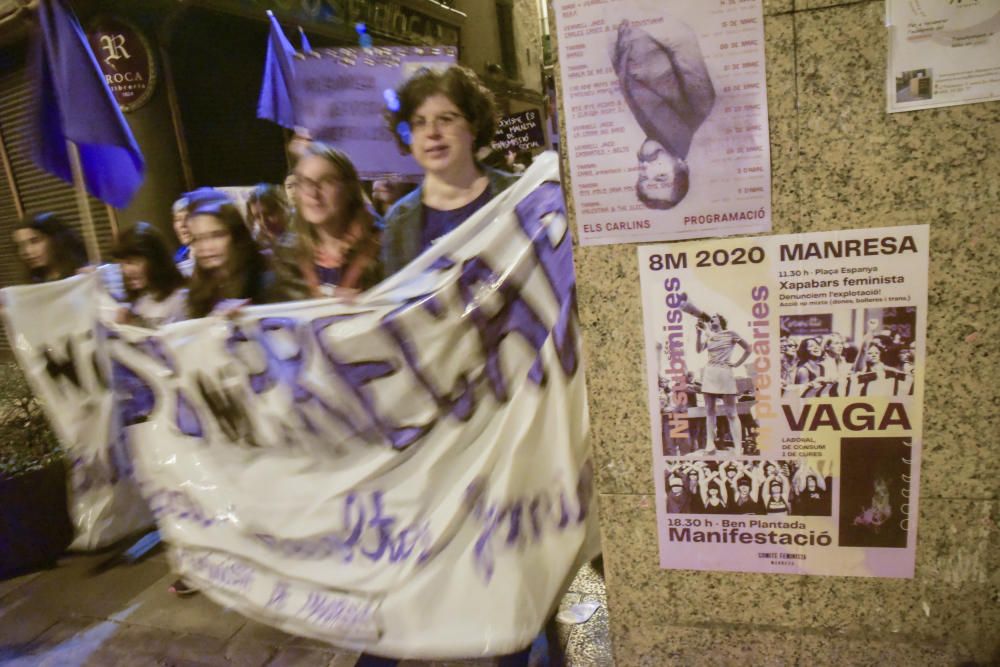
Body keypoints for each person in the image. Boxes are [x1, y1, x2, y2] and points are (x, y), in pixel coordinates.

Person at [381, 65, 518, 277]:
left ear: (474, 126)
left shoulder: (520, 194)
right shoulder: (398, 223)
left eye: (446, 119)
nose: (432, 132)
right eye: (419, 123)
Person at [611, 18, 715, 210]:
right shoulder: (700, 106)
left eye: (643, 177)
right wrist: (635, 15)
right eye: (661, 177)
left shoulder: (647, 127)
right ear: (681, 165)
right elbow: (683, 37)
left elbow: (621, 65)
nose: (646, 168)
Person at [185, 196, 304, 319]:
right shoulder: (198, 289)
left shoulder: (268, 280)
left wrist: (251, 316)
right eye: (197, 238)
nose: (206, 246)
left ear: (237, 236)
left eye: (217, 235)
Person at [292, 143, 383, 297]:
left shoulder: (384, 247)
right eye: (305, 182)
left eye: (326, 181)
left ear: (349, 189)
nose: (313, 193)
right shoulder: (287, 256)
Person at [112, 223, 187, 328]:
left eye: (133, 262)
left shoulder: (179, 299)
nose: (126, 271)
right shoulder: (137, 301)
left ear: (156, 260)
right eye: (122, 263)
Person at [695, 313, 750, 454]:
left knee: (731, 412)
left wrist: (737, 364)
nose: (711, 319)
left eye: (714, 317)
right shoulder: (709, 336)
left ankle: (738, 447)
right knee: (709, 411)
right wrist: (698, 333)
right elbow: (698, 350)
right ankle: (710, 444)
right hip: (710, 373)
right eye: (710, 318)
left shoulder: (730, 333)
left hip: (725, 372)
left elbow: (748, 349)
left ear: (721, 320)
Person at [12, 212, 87, 283]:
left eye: (35, 241)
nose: (26, 251)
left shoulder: (84, 275)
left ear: (56, 240)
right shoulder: (29, 284)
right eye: (20, 245)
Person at [246, 183, 293, 248]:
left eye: (268, 214)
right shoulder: (259, 243)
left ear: (283, 209)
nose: (263, 222)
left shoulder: (303, 239)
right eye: (257, 217)